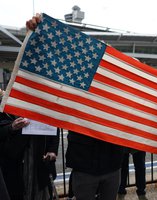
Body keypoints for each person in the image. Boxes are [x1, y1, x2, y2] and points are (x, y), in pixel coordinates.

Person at [26, 14, 126, 200]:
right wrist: (36, 35)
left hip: (112, 164)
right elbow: (43, 77)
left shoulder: (119, 91)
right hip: (84, 165)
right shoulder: (75, 86)